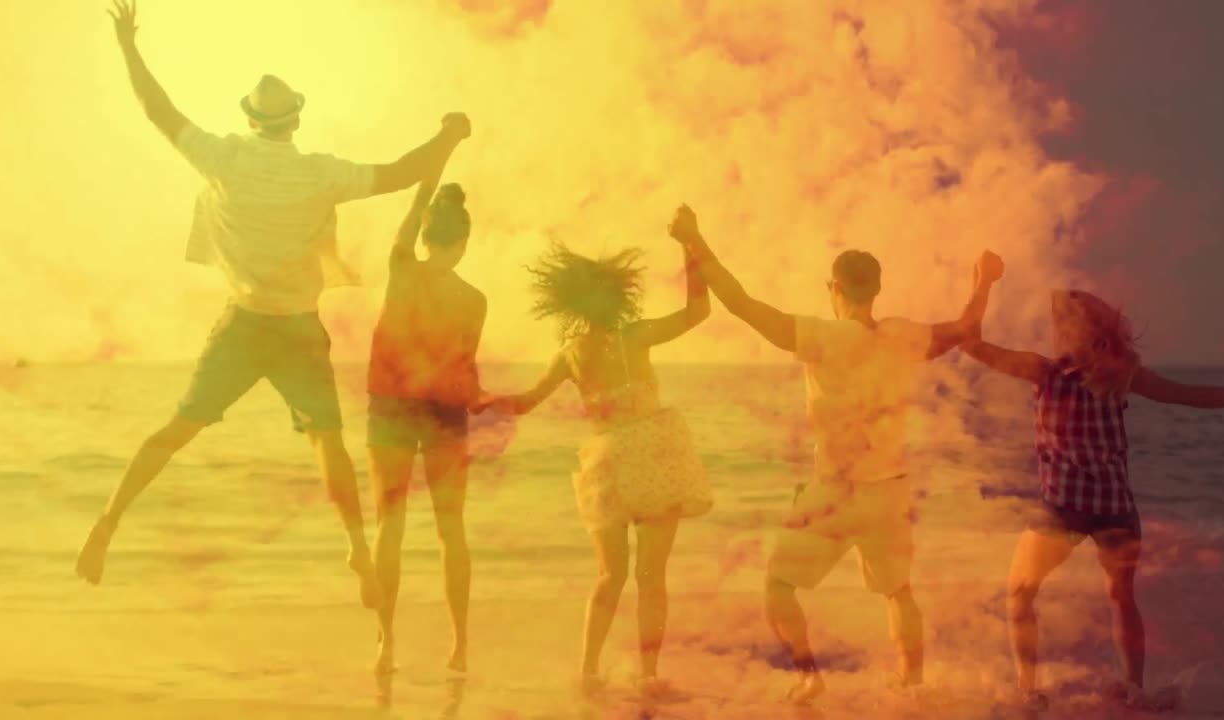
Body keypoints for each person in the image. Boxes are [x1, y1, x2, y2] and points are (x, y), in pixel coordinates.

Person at [75, 1, 470, 611]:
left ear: (253, 120)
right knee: (327, 443)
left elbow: (158, 110)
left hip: (242, 323)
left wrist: (129, 47)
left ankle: (108, 518)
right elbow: (400, 172)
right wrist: (449, 135)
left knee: (179, 429)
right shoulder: (320, 174)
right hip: (297, 332)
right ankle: (355, 547)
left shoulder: (221, 158)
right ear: (294, 120)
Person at [672, 205, 1003, 704]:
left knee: (779, 586)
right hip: (889, 491)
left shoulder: (824, 337)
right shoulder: (902, 335)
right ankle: (912, 687)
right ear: (874, 289)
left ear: (835, 288)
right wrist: (986, 280)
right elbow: (968, 325)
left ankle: (809, 676)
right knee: (899, 592)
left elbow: (740, 302)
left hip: (835, 493)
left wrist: (694, 238)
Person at [961, 288, 1224, 711]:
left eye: (1058, 323)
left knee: (1019, 594)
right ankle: (1134, 689)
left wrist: (985, 284)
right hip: (1116, 509)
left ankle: (1029, 692)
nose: (1051, 330)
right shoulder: (1120, 376)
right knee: (1122, 599)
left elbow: (971, 344)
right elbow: (1192, 395)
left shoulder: (1044, 372)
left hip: (1063, 509)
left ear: (1072, 332)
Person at [475, 206, 713, 697]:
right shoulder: (636, 336)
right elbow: (699, 312)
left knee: (610, 575)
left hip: (609, 466)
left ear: (574, 305)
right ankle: (648, 677)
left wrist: (480, 400)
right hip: (657, 453)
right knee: (652, 578)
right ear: (616, 299)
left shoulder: (572, 354)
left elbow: (524, 403)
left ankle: (587, 671)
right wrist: (689, 244)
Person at [366, 151, 484, 676]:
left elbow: (410, 215)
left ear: (426, 235)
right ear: (463, 243)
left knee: (388, 528)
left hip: (390, 411)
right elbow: (467, 370)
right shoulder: (474, 299)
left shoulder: (400, 269)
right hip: (443, 415)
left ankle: (386, 642)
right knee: (450, 531)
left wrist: (439, 158)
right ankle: (459, 645)